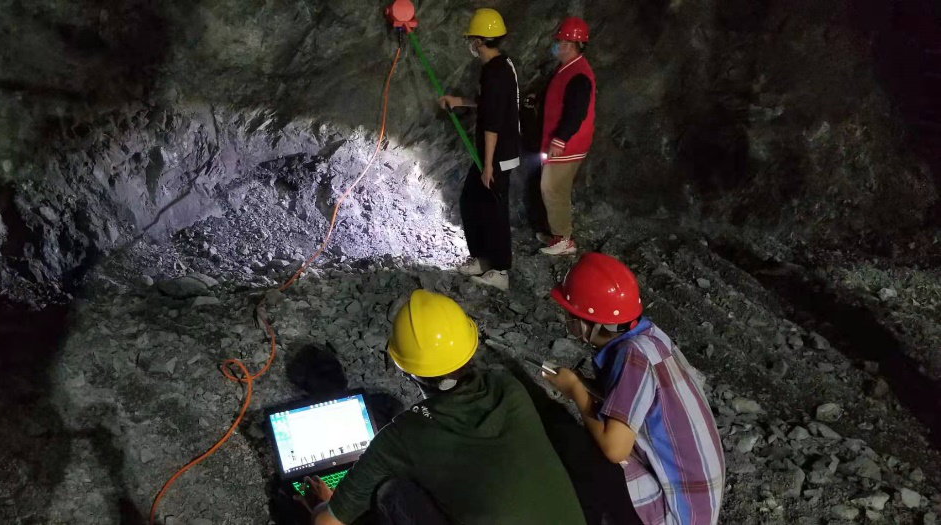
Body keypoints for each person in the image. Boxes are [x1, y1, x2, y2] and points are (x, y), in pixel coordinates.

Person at [301, 289, 586, 525]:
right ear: (470, 347)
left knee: (391, 493)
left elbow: (327, 523)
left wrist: (324, 505)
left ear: (405, 369)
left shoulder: (403, 436)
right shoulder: (508, 387)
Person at [542, 253, 726, 525]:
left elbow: (614, 449)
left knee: (575, 447)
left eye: (572, 315)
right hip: (699, 504)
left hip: (677, 514)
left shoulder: (633, 356)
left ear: (589, 322)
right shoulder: (649, 335)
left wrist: (575, 391)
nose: (567, 319)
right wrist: (585, 385)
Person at [437, 8, 521, 291]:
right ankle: (483, 259)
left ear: (479, 41)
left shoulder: (496, 72)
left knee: (494, 209)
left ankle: (500, 271)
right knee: (471, 201)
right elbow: (488, 102)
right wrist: (459, 101)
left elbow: (492, 123)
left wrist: (488, 165)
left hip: (498, 154)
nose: (469, 44)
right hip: (495, 153)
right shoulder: (500, 65)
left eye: (471, 39)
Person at [537, 17, 596, 257]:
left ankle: (564, 239)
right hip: (565, 141)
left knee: (552, 188)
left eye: (559, 41)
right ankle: (557, 234)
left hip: (569, 144)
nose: (555, 45)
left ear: (569, 45)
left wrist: (560, 140)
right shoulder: (569, 68)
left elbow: (576, 112)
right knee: (551, 187)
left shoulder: (579, 74)